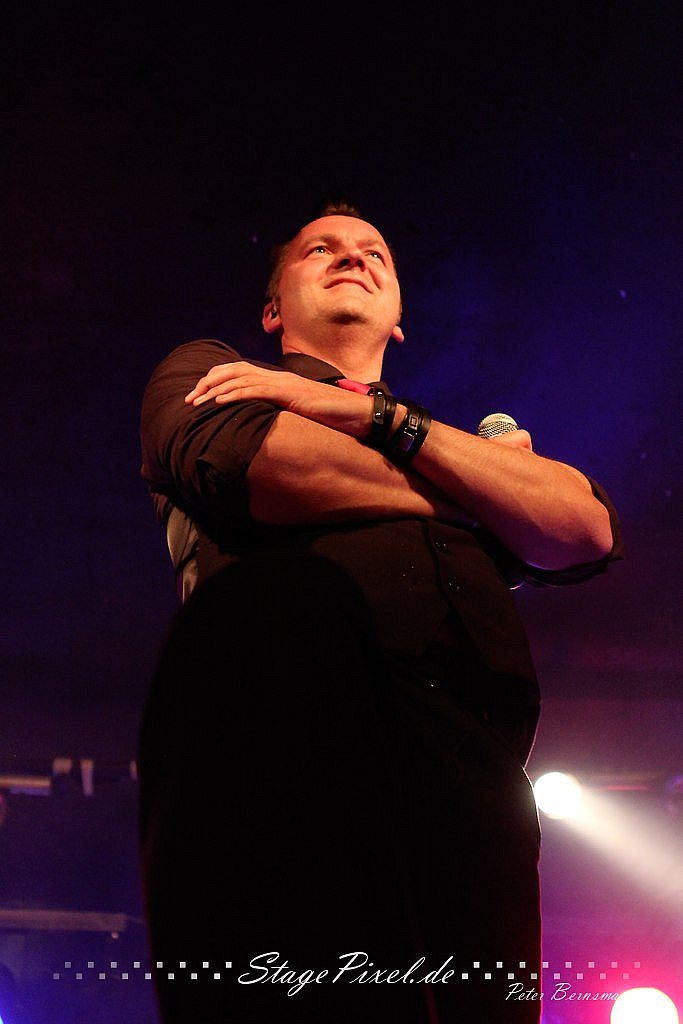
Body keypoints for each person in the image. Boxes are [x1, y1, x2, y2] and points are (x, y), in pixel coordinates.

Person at [138, 200, 622, 1023]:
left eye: (374, 253)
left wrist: (376, 417)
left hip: (474, 782)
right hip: (287, 744)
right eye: (318, 250)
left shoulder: (417, 430)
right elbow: (263, 465)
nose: (351, 257)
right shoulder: (207, 370)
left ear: (398, 319)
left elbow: (584, 529)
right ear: (272, 310)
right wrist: (485, 496)